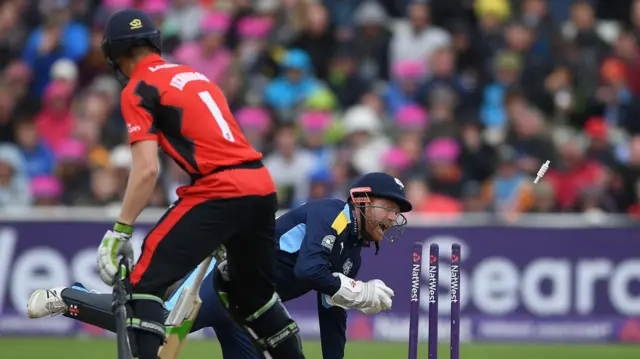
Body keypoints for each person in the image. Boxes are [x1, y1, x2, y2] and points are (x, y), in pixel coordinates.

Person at [92, 8, 304, 359]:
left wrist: (120, 230)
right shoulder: (194, 75)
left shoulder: (138, 88)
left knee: (145, 283)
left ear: (117, 54)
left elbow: (146, 170)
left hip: (220, 189)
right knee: (253, 299)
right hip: (260, 185)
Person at [27, 172, 412, 359]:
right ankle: (68, 297)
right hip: (225, 281)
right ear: (361, 199)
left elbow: (333, 316)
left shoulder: (353, 254)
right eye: (388, 208)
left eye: (397, 213)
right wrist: (358, 293)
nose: (392, 218)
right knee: (154, 329)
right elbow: (308, 271)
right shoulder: (333, 214)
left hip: (252, 310)